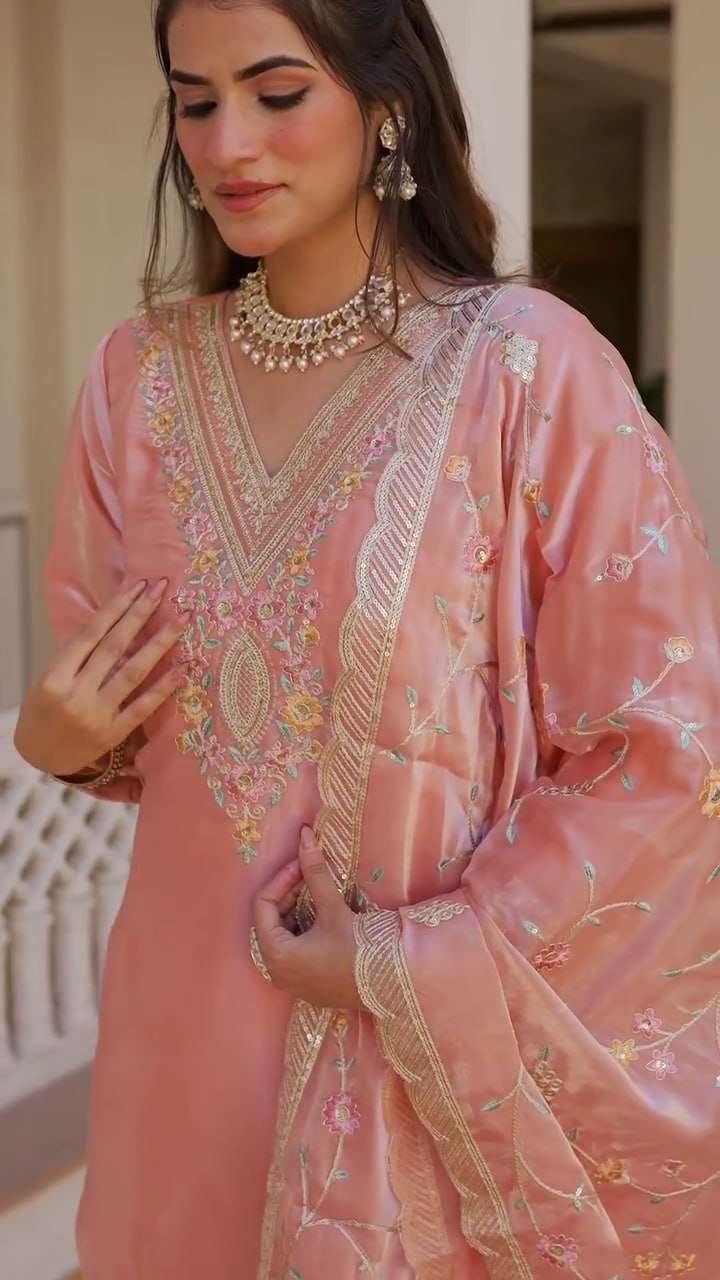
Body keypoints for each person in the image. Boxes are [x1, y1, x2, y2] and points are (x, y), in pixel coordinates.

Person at [14, 1, 720, 1276]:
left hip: (400, 1061)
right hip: (175, 1026)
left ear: (388, 106)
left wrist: (404, 963)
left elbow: (662, 755)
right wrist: (59, 739)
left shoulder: (528, 374)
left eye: (278, 93)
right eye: (195, 100)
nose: (228, 142)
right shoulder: (137, 379)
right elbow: (120, 713)